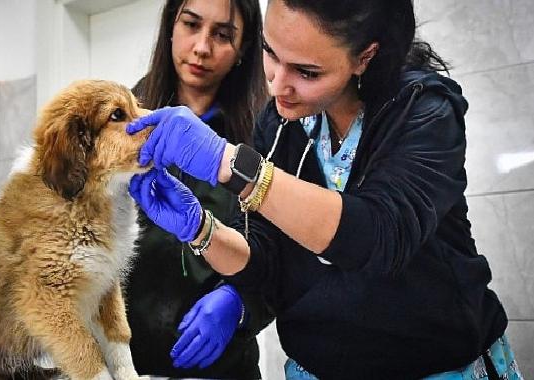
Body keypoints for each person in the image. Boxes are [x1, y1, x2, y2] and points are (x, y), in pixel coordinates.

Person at [126, 0, 524, 379]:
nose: (278, 85)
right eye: (270, 52)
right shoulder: (280, 123)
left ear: (364, 56)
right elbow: (267, 262)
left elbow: (380, 235)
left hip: (435, 366)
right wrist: (202, 230)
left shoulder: (422, 108)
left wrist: (228, 164)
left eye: (307, 72)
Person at [124, 0, 273, 379]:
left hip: (226, 368)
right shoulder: (122, 120)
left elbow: (287, 257)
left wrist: (241, 303)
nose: (202, 47)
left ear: (243, 49)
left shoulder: (267, 133)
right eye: (191, 24)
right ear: (169, 27)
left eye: (223, 35)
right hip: (127, 361)